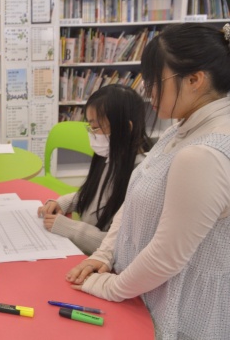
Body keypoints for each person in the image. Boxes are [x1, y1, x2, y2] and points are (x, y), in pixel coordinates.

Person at [66, 23, 230, 339]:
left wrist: (112, 287)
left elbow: (168, 256)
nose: (147, 91)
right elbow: (133, 199)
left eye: (156, 81)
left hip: (180, 313)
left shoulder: (204, 153)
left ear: (195, 80)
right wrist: (105, 254)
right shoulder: (179, 128)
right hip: (139, 292)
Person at [37, 84, 152, 254]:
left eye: (96, 127)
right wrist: (64, 203)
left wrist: (68, 227)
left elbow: (117, 247)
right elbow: (93, 195)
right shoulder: (109, 158)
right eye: (90, 126)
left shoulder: (140, 178)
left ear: (126, 128)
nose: (92, 133)